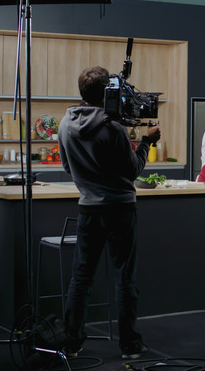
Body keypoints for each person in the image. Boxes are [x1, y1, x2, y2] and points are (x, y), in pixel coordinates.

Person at [58, 66, 160, 359]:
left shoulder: (65, 123)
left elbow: (67, 167)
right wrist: (146, 141)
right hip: (120, 210)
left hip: (88, 208)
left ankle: (73, 342)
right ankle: (129, 345)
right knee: (125, 279)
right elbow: (132, 171)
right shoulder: (113, 128)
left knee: (81, 279)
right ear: (110, 94)